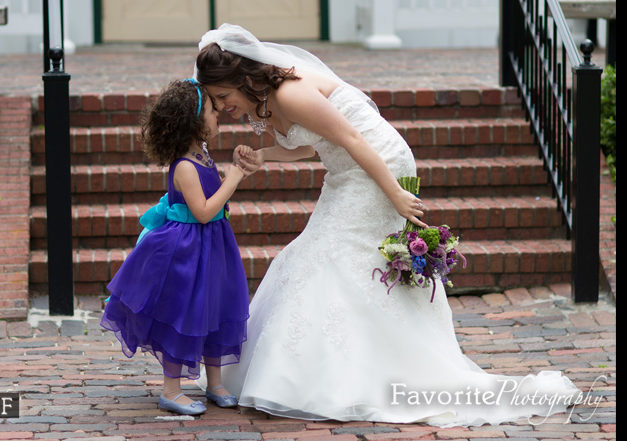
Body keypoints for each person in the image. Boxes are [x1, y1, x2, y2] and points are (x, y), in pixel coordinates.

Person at [192, 24, 582, 427]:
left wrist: (395, 192)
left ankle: (356, 372)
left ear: (244, 80)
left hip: (379, 165)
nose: (223, 108)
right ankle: (328, 366)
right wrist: (264, 156)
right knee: (325, 255)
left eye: (224, 97)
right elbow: (314, 146)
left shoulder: (291, 92)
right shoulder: (265, 102)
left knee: (330, 253)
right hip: (347, 171)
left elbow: (353, 138)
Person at [100, 78, 253, 416]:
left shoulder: (202, 154)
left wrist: (230, 169)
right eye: (213, 111)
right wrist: (233, 178)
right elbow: (202, 211)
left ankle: (215, 382)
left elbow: (212, 203)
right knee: (184, 313)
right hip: (187, 250)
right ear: (193, 121)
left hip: (214, 247)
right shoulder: (184, 165)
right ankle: (171, 390)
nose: (219, 116)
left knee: (215, 308)